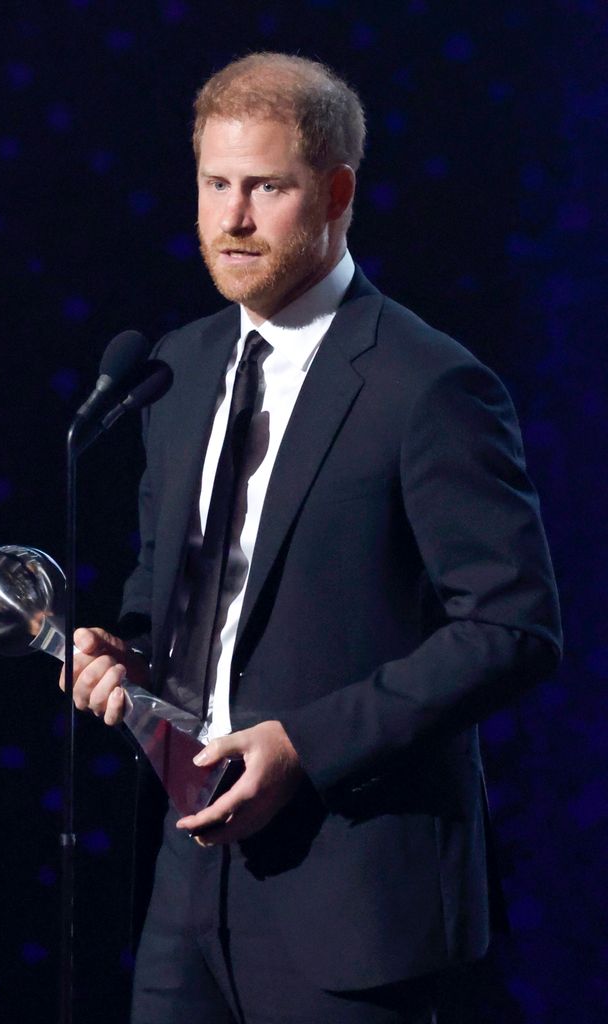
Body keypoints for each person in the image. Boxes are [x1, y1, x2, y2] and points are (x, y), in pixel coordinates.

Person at [62, 53, 562, 1024]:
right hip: (185, 872)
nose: (232, 218)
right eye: (214, 184)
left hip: (354, 886)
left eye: (266, 187)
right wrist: (121, 649)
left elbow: (513, 627)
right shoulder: (178, 366)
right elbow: (168, 587)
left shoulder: (428, 385)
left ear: (336, 192)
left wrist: (305, 744)